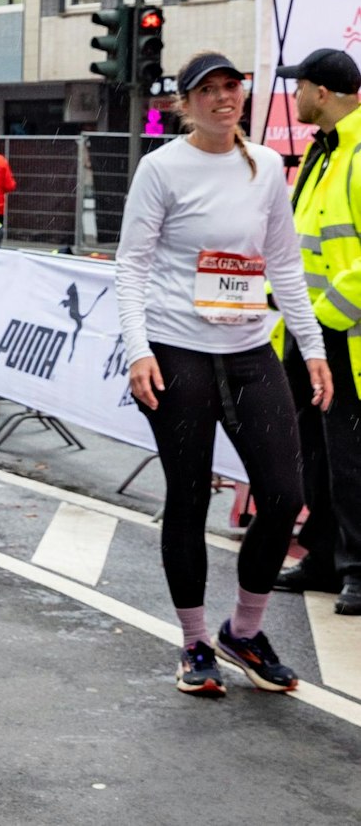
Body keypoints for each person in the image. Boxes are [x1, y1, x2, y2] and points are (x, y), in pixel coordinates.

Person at [114, 51, 334, 695]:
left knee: (284, 494)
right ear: (184, 103)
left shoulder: (265, 165)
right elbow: (132, 265)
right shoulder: (161, 168)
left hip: (248, 348)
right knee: (187, 496)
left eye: (231, 87)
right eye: (206, 91)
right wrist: (137, 350)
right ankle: (193, 641)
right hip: (176, 348)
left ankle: (244, 629)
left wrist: (311, 346)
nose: (222, 99)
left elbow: (285, 264)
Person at [274, 46, 361, 615]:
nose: (295, 97)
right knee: (317, 453)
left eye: (299, 87)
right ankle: (324, 558)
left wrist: (323, 315)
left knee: (350, 456)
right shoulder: (323, 152)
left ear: (321, 93)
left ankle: (358, 568)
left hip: (342, 335)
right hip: (311, 333)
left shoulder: (354, 153)